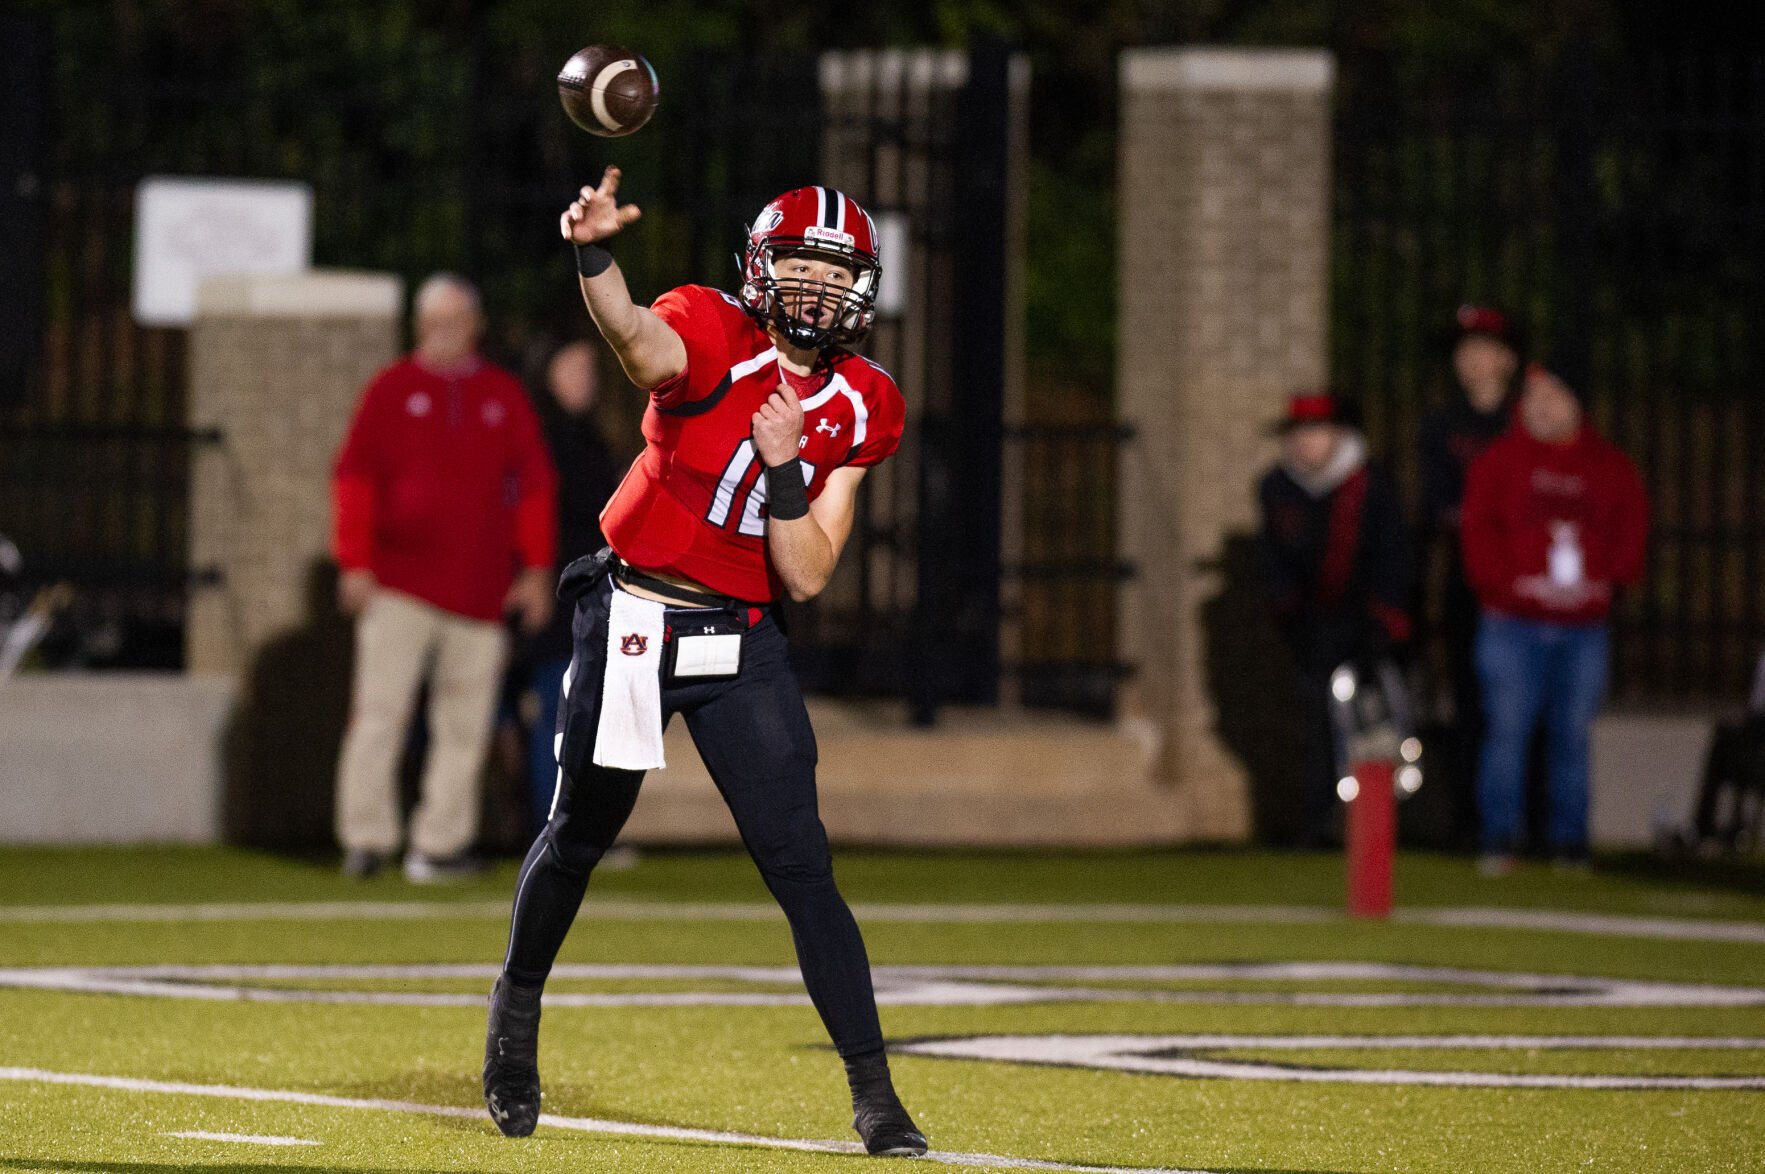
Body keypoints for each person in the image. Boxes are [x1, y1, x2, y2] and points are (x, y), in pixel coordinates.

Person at [482, 170, 924, 1157]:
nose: (814, 287)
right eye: (799, 265)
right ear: (760, 269)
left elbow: (806, 575)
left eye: (834, 270)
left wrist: (779, 466)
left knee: (802, 864)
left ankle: (874, 1094)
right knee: (582, 832)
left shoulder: (863, 403)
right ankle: (515, 1013)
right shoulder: (712, 328)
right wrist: (594, 255)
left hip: (739, 637)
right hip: (637, 615)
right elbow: (635, 340)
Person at [331, 274, 558, 882]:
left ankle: (439, 844)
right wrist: (354, 562)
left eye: (453, 321)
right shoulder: (390, 390)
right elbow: (354, 478)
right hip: (399, 585)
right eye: (432, 322)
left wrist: (535, 569)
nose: (442, 333)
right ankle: (366, 837)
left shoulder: (502, 396)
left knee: (465, 725)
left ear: (475, 326)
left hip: (481, 592)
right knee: (380, 713)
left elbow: (534, 485)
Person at [1460, 361, 1649, 875]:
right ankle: (1498, 837)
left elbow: (1630, 532)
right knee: (1507, 731)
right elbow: (1477, 531)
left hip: (1582, 626)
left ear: (1577, 404)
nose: (1542, 406)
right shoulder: (1500, 462)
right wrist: (1505, 585)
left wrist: (1605, 581)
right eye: (1533, 397)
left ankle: (1570, 843)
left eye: (1554, 395)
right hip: (1512, 622)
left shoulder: (1609, 467)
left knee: (1572, 735)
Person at [1257, 392, 1412, 847]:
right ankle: (1320, 818)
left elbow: (1392, 556)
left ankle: (1377, 822)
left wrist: (1382, 620)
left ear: (1338, 435)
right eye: (1299, 433)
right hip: (1312, 623)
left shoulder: (1369, 484)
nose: (1306, 443)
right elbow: (1276, 560)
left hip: (1366, 622)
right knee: (1316, 724)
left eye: (1316, 432)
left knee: (1375, 722)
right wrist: (1290, 613)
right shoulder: (1277, 487)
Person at [1416, 305, 1523, 845]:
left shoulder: (1527, 419)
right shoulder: (1442, 424)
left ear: (1507, 358)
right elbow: (1436, 504)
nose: (1469, 361)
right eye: (1463, 351)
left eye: (1481, 349)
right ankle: (1469, 820)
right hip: (1468, 581)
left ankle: (1531, 821)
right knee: (1467, 701)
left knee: (1524, 707)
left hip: (1524, 586)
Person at [523, 339, 621, 837]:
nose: (584, 380)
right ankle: (554, 825)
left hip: (589, 598)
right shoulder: (541, 435)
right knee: (559, 714)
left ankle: (575, 826)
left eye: (590, 370)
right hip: (555, 599)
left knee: (584, 717)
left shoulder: (591, 436)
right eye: (572, 369)